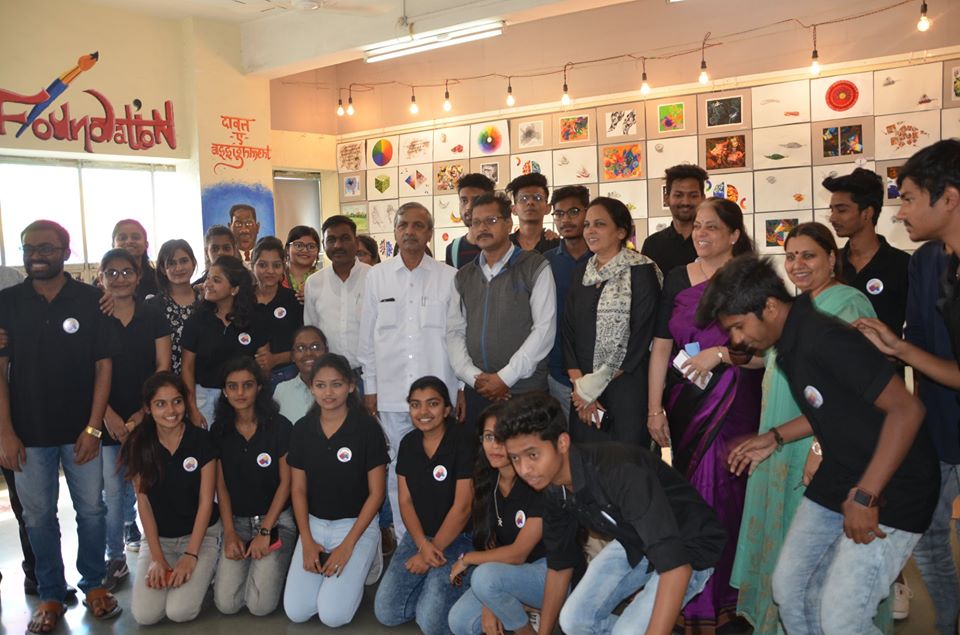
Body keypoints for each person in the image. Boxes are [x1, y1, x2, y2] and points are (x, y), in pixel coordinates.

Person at [702, 256, 939, 635]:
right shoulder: (788, 344)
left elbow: (908, 410)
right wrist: (776, 437)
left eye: (739, 326)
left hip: (895, 482)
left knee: (843, 618)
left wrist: (866, 495)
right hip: (843, 472)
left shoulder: (825, 339)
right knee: (790, 590)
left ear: (770, 307)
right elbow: (831, 407)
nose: (737, 340)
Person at [729, 222, 880, 635]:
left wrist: (821, 448)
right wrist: (724, 354)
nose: (797, 264)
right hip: (780, 435)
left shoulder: (849, 303)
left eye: (808, 255)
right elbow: (773, 361)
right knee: (786, 558)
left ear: (832, 258)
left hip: (819, 444)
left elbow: (854, 391)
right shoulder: (797, 308)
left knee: (815, 565)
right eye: (791, 256)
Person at [496, 393, 725, 635]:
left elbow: (676, 568)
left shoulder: (620, 472)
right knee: (574, 620)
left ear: (562, 443)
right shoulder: (553, 489)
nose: (524, 470)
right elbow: (560, 566)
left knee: (627, 632)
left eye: (533, 455)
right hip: (634, 538)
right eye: (515, 458)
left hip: (688, 545)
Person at [646, 197, 762, 633]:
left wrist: (721, 354)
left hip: (734, 403)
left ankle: (728, 599)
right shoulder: (677, 277)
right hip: (685, 404)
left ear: (734, 234)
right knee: (692, 495)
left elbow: (767, 351)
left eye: (712, 226)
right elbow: (662, 347)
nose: (701, 233)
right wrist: (654, 408)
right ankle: (691, 598)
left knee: (727, 495)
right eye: (697, 225)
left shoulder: (750, 278)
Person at [0, 220, 121, 632]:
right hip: (27, 434)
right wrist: (5, 431)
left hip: (80, 433)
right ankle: (50, 593)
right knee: (37, 518)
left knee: (92, 510)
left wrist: (93, 428)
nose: (36, 255)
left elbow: (103, 367)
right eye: (29, 248)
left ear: (66, 253)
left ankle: (94, 584)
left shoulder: (91, 300)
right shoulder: (8, 302)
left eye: (46, 248)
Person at [359, 201, 462, 541]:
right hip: (391, 394)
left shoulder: (449, 277)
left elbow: (457, 336)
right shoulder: (377, 277)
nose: (410, 232)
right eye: (403, 225)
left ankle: (443, 537)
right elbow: (367, 338)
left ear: (429, 233)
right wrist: (370, 388)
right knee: (397, 469)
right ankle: (407, 540)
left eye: (418, 226)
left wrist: (460, 387)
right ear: (395, 232)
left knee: (442, 466)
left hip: (439, 396)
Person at [283, 353, 387, 626]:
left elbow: (377, 494)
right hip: (314, 525)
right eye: (320, 385)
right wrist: (306, 541)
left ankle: (368, 556)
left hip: (356, 526)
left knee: (332, 615)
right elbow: (298, 490)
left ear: (351, 386)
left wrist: (347, 546)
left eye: (336, 384)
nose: (328, 393)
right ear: (311, 387)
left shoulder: (367, 428)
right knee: (297, 612)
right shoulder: (302, 429)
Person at [374, 376, 474, 635]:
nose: (423, 411)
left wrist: (431, 551)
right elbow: (405, 501)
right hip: (420, 537)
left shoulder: (463, 441)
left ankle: (468, 581)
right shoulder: (408, 444)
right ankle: (435, 588)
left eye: (432, 403)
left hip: (459, 538)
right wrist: (422, 546)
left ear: (447, 409)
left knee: (432, 625)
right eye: (415, 404)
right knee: (387, 613)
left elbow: (463, 508)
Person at [98, 248, 173, 592]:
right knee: (113, 492)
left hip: (149, 415)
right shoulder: (96, 317)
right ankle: (114, 558)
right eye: (111, 273)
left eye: (126, 272)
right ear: (101, 278)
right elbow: (85, 370)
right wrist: (108, 416)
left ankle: (158, 548)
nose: (120, 279)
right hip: (106, 419)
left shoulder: (152, 315)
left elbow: (163, 366)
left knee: (151, 484)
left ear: (138, 276)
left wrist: (144, 412)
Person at [447, 192, 556, 426]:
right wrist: (474, 378)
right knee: (483, 449)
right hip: (479, 390)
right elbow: (454, 332)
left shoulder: (534, 266)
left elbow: (544, 330)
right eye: (476, 222)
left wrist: (505, 378)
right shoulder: (463, 276)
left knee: (528, 448)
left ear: (508, 223)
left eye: (491, 220)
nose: (482, 228)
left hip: (524, 390)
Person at [122, 372, 220, 625]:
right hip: (160, 538)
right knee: (146, 615)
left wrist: (191, 555)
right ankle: (178, 570)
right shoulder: (139, 444)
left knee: (179, 612)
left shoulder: (201, 440)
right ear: (147, 408)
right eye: (160, 404)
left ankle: (209, 575)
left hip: (201, 536)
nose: (171, 411)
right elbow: (143, 503)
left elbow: (206, 502)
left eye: (177, 401)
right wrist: (157, 558)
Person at [563, 197, 661, 446]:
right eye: (587, 225)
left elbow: (640, 338)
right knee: (586, 461)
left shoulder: (642, 271)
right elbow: (568, 333)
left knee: (626, 461)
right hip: (581, 391)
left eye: (600, 224)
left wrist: (591, 388)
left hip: (626, 388)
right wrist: (581, 389)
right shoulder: (582, 272)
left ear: (621, 231)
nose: (590, 231)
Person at [902, 240, 960, 635]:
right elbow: (918, 339)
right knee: (925, 531)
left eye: (908, 204)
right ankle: (946, 619)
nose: (902, 212)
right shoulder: (924, 260)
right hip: (937, 418)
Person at [448, 403, 546, 635]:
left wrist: (468, 560)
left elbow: (518, 553)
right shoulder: (487, 480)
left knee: (484, 578)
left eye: (503, 436)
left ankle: (526, 625)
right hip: (503, 574)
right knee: (460, 622)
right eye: (489, 436)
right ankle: (522, 607)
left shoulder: (537, 480)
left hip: (546, 571)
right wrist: (490, 600)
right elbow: (490, 542)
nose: (495, 445)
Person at [211, 355, 295, 616]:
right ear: (224, 391)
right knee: (226, 604)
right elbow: (221, 488)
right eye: (232, 386)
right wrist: (229, 533)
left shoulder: (280, 426)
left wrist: (265, 530)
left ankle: (274, 568)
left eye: (247, 385)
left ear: (259, 387)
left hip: (277, 521)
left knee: (260, 607)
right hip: (236, 522)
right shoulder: (218, 431)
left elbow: (286, 483)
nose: (240, 393)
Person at [181, 255, 269, 428]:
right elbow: (187, 368)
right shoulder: (196, 321)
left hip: (244, 398)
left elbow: (264, 365)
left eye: (216, 280)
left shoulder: (254, 320)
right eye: (208, 278)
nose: (208, 284)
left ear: (234, 289)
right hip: (205, 400)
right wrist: (192, 408)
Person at [824, 167, 909, 337]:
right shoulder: (830, 263)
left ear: (867, 213)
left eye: (841, 210)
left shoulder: (903, 265)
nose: (832, 218)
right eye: (832, 210)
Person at [543, 185, 592, 419]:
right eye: (559, 214)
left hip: (599, 371)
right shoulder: (545, 263)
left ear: (588, 212)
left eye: (574, 212)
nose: (565, 220)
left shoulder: (603, 257)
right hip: (557, 371)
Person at [304, 215, 371, 383]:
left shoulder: (374, 277)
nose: (338, 245)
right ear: (323, 244)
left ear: (356, 242)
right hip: (330, 378)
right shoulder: (314, 282)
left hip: (369, 374)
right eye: (331, 240)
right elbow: (312, 332)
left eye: (345, 238)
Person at [252, 237, 303, 387]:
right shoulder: (242, 300)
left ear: (283, 266)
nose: (270, 271)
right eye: (262, 265)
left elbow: (303, 345)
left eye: (276, 265)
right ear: (252, 265)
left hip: (288, 375)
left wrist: (275, 359)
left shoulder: (294, 300)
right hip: (249, 378)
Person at [146, 239, 200, 376]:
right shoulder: (153, 306)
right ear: (163, 269)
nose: (179, 268)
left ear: (193, 263)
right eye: (171, 263)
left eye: (184, 261)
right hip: (166, 381)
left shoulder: (207, 302)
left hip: (205, 382)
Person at [641, 164, 706, 276]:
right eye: (678, 195)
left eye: (693, 196)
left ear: (703, 199)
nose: (686, 202)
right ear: (667, 199)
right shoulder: (652, 245)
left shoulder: (712, 241)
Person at [273, 325, 328, 423]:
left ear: (326, 351)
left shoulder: (338, 389)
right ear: (292, 356)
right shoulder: (282, 390)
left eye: (315, 347)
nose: (308, 353)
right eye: (301, 348)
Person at [446, 173, 495, 269]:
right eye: (464, 201)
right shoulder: (453, 250)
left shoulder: (505, 246)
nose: (468, 207)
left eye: (476, 200)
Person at [505, 173, 560, 253]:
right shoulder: (504, 245)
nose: (530, 202)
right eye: (523, 198)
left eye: (538, 198)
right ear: (514, 209)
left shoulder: (557, 246)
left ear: (548, 208)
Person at [112, 219, 159, 301]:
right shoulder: (103, 282)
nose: (129, 241)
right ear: (113, 245)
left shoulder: (159, 279)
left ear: (146, 244)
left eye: (135, 237)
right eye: (122, 238)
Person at [283, 225, 321, 303]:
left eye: (311, 246)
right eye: (299, 245)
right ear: (287, 249)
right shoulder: (277, 277)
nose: (305, 250)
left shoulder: (322, 279)